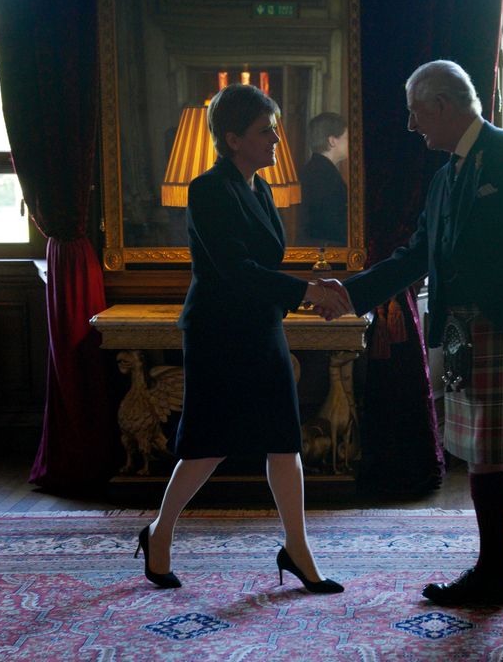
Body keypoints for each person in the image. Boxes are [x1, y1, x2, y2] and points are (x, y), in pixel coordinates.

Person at [318, 60, 503, 633]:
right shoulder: (443, 179)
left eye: (414, 112)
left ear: (440, 104)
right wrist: (350, 291)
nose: (411, 125)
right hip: (462, 335)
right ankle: (492, 573)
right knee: (480, 453)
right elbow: (415, 256)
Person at [135, 84, 348, 594]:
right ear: (232, 139)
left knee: (284, 440)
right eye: (264, 131)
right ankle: (159, 534)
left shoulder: (262, 189)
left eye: (273, 128)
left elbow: (265, 266)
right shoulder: (207, 189)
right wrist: (307, 291)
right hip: (219, 334)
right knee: (208, 446)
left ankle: (297, 550)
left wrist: (309, 291)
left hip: (261, 327)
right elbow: (235, 268)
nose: (276, 138)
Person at [298, 112, 349, 247]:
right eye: (346, 138)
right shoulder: (323, 174)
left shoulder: (317, 169)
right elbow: (331, 224)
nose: (351, 143)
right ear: (332, 141)